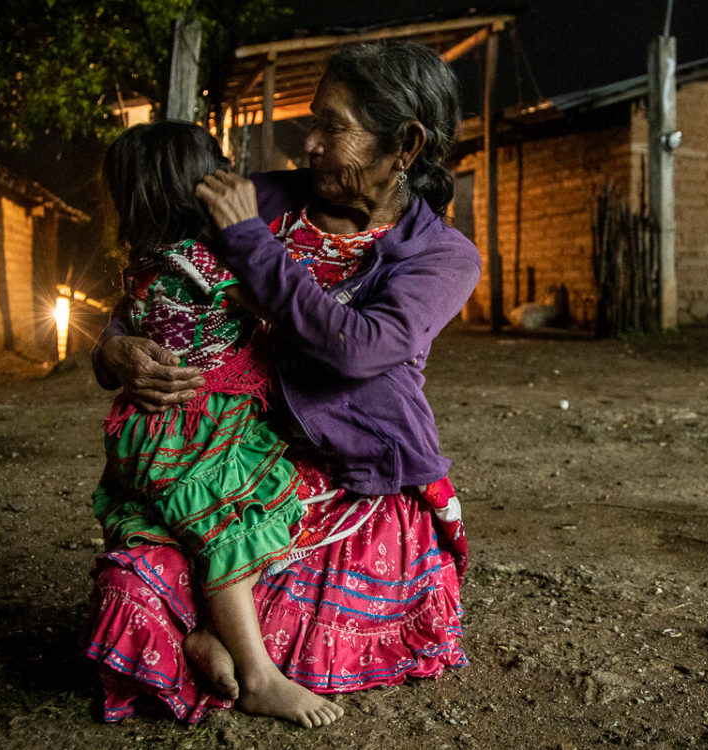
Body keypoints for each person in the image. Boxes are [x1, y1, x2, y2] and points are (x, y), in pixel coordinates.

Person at [86, 40, 481, 725]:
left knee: (296, 594)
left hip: (348, 476)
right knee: (133, 587)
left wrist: (249, 240)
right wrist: (116, 352)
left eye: (334, 126)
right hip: (218, 453)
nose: (311, 144)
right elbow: (156, 278)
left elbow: (355, 351)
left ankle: (233, 645)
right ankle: (228, 639)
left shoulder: (441, 256)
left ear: (406, 145)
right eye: (313, 122)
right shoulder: (259, 198)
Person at [93, 120, 344, 728]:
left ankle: (209, 633)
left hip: (150, 431)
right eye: (217, 166)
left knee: (232, 521)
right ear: (196, 189)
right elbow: (284, 307)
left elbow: (131, 321)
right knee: (232, 526)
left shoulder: (144, 267)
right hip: (199, 427)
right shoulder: (206, 263)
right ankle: (259, 677)